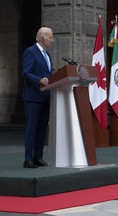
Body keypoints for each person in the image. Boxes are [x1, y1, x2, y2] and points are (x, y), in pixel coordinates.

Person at [22, 27, 54, 168]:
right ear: (42, 38)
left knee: (42, 129)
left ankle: (38, 157)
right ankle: (28, 159)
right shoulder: (31, 52)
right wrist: (38, 80)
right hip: (33, 97)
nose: (52, 40)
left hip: (46, 97)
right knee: (32, 128)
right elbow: (26, 72)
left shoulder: (48, 56)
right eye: (51, 37)